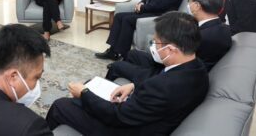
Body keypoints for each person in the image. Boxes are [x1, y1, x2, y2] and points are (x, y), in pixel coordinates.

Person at [46, 12, 209, 136]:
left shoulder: (162, 88)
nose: (153, 46)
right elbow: (161, 86)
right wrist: (133, 85)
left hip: (126, 130)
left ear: (171, 49)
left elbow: (117, 116)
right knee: (91, 83)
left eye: (156, 42)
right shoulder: (198, 67)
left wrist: (84, 93)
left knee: (61, 105)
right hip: (145, 117)